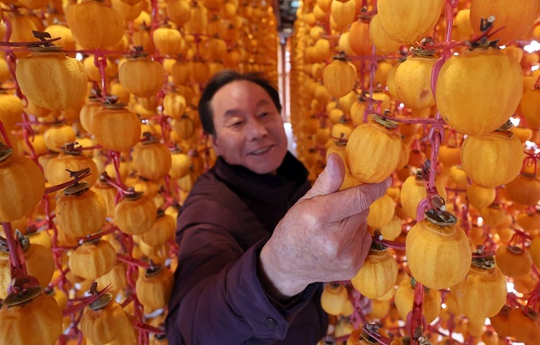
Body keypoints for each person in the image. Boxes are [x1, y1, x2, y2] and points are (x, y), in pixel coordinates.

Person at [165, 70, 391, 344]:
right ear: (215, 142)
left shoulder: (294, 181)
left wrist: (332, 283)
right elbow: (187, 331)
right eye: (236, 123)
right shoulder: (208, 207)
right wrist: (279, 269)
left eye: (264, 114)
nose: (258, 132)